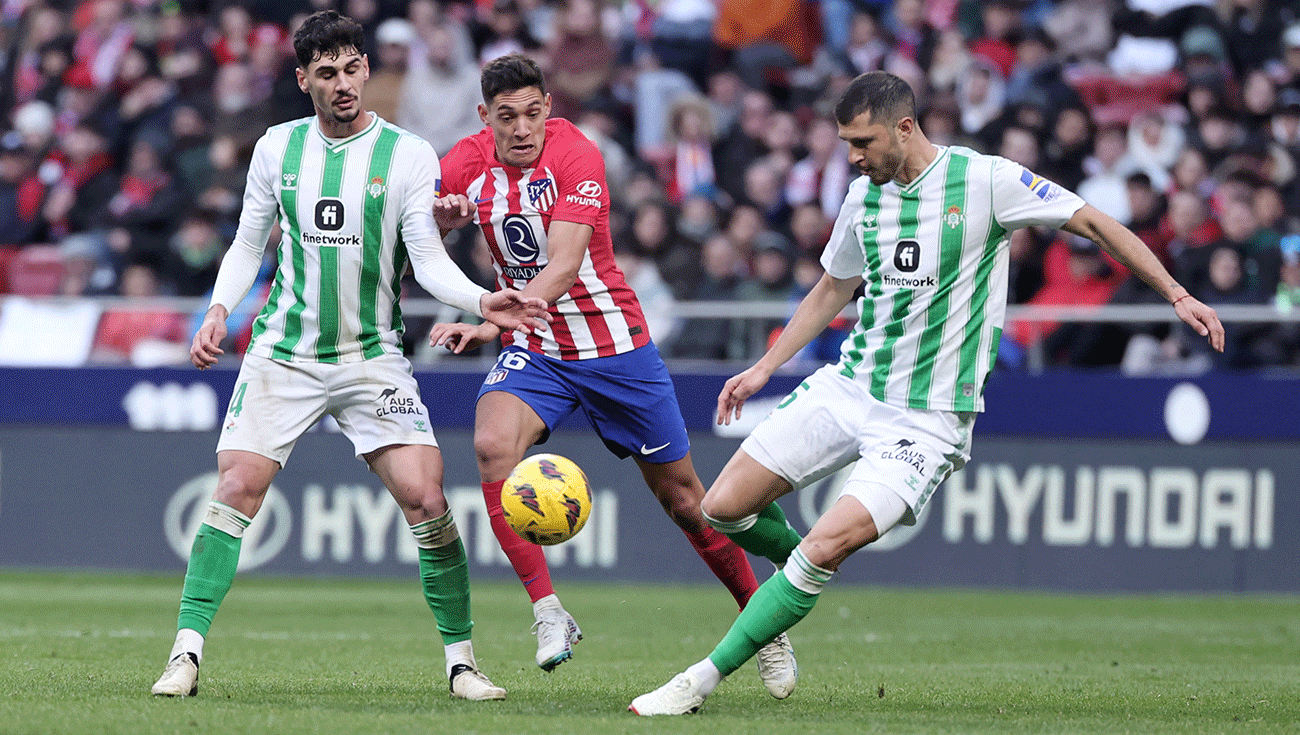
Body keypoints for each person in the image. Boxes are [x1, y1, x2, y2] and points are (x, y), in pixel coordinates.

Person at [629, 70, 1226, 716]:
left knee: (822, 548)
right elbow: (833, 288)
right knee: (722, 506)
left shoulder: (986, 180)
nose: (852, 157)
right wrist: (764, 366)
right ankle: (775, 613)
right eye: (845, 143)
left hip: (928, 418)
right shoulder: (864, 197)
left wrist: (1176, 292)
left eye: (862, 142)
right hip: (852, 384)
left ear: (904, 128)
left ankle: (698, 680)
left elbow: (1093, 221)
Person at [149, 11, 551, 703]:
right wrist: (219, 308)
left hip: (372, 356)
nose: (343, 84)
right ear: (304, 78)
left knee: (427, 495)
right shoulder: (277, 149)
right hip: (286, 350)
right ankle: (184, 655)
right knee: (237, 487)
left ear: (367, 68)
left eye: (352, 68)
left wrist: (483, 300)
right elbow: (250, 244)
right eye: (326, 73)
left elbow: (427, 261)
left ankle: (462, 663)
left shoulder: (408, 155)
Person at [426, 54, 798, 698]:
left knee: (688, 503)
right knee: (490, 446)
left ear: (549, 106)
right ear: (485, 117)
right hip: (541, 352)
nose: (521, 129)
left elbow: (566, 265)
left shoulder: (576, 155)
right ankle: (549, 613)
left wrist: (489, 321)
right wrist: (441, 217)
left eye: (532, 113)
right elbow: (412, 227)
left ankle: (763, 623)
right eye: (505, 117)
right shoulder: (463, 162)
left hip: (615, 347)